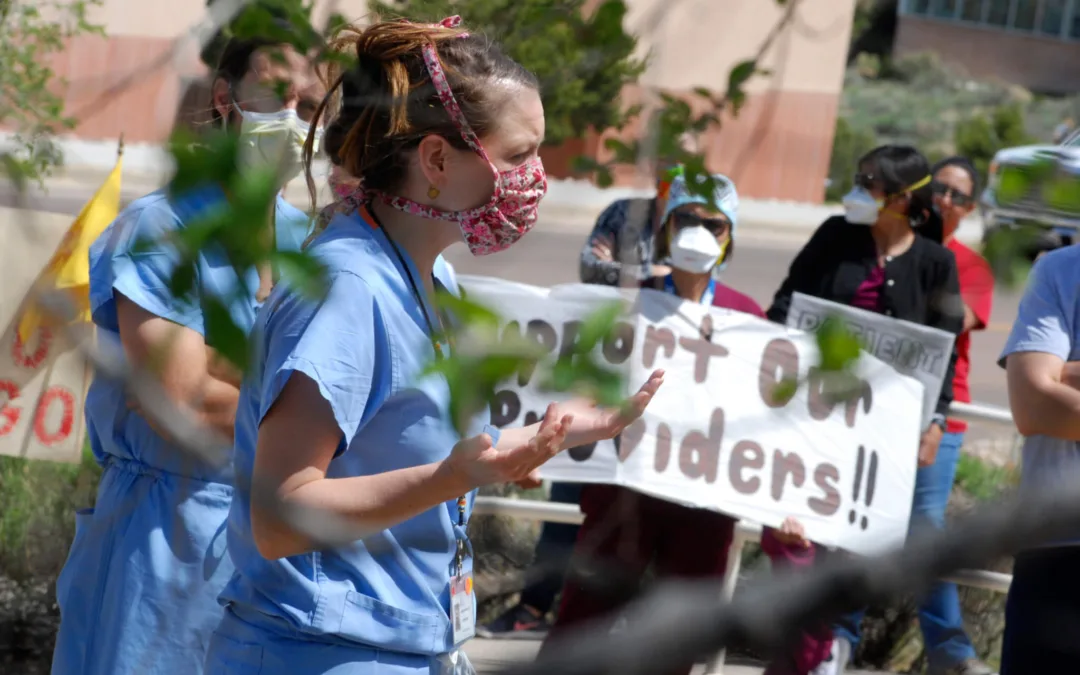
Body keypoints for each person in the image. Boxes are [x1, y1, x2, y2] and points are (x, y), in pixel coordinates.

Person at [201, 17, 663, 675]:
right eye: (517, 154)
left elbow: (401, 452)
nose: (535, 177)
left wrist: (537, 439)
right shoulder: (348, 288)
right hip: (316, 654)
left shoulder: (431, 276)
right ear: (438, 161)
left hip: (402, 648)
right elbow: (280, 514)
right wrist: (451, 477)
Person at [50, 31, 325, 675]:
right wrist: (327, 435)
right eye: (274, 94)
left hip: (271, 532)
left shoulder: (310, 242)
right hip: (167, 534)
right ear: (225, 98)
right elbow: (185, 402)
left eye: (311, 106)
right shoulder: (162, 228)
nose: (292, 120)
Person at [767, 145, 988, 675]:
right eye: (859, 177)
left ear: (902, 198)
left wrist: (936, 420)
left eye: (871, 183)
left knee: (855, 548)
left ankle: (829, 653)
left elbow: (941, 350)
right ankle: (794, 651)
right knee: (793, 543)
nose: (858, 190)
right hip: (809, 425)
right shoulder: (832, 236)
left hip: (879, 442)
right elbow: (783, 307)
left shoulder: (936, 263)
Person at [537, 172, 758, 675]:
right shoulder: (628, 301)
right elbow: (585, 383)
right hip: (623, 493)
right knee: (583, 617)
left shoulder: (747, 315)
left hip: (703, 501)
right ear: (665, 227)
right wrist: (540, 447)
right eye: (685, 219)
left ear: (731, 238)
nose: (698, 233)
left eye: (714, 225)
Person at [478, 160, 686, 639]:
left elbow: (690, 282)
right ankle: (536, 607)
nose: (673, 186)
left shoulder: (696, 225)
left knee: (637, 516)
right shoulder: (624, 215)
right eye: (667, 175)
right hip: (603, 371)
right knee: (571, 494)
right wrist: (649, 272)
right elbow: (592, 267)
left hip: (656, 386)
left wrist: (648, 275)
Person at [999, 244, 1080, 672]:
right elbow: (1032, 405)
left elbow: (1047, 389)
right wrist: (1045, 383)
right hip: (1056, 554)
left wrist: (1065, 372)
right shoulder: (1062, 271)